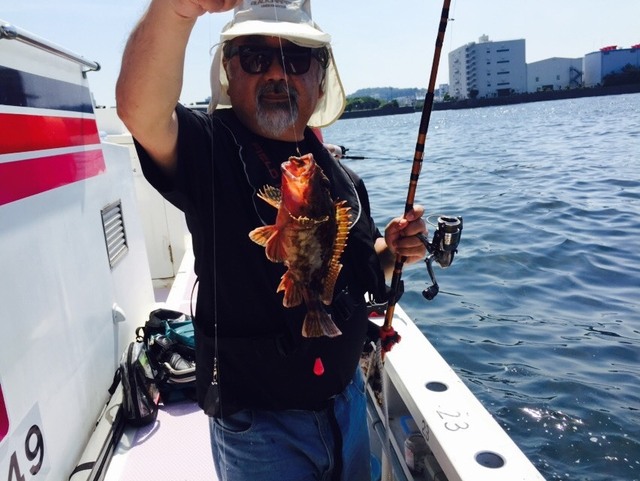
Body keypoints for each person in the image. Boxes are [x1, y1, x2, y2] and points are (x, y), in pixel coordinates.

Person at [116, 1, 427, 480]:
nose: (278, 73)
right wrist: (177, 8)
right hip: (259, 431)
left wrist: (395, 249)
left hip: (347, 404)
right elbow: (141, 110)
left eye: (297, 58)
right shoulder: (208, 149)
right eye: (255, 58)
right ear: (229, 70)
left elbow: (362, 270)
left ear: (320, 78)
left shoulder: (343, 180)